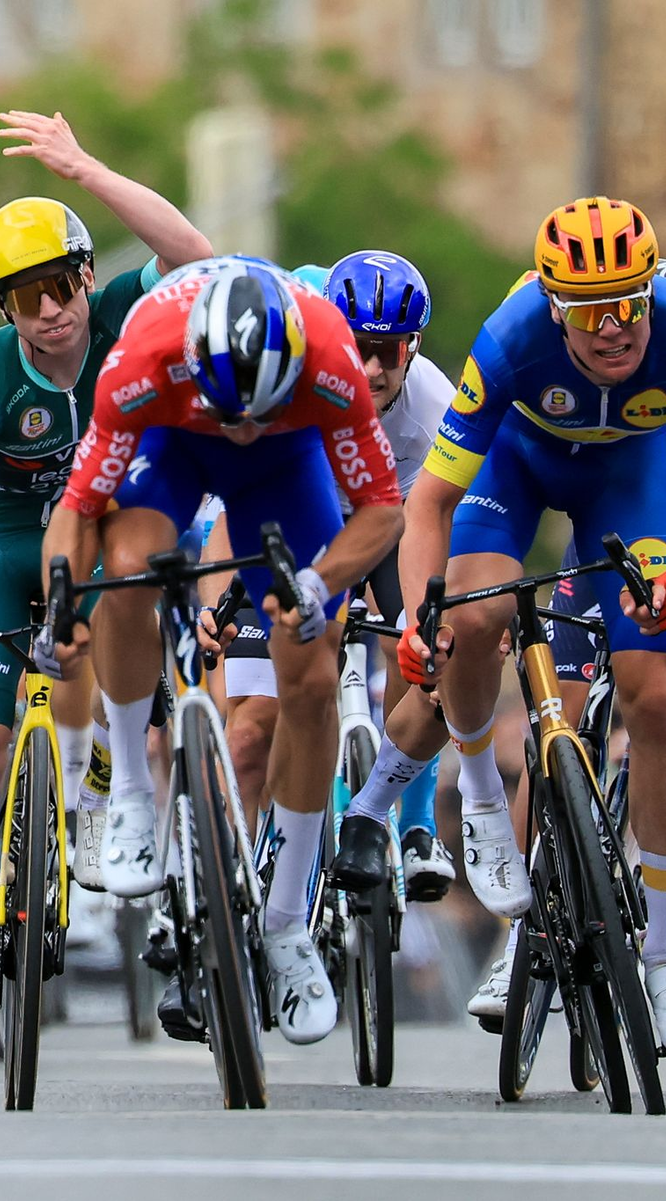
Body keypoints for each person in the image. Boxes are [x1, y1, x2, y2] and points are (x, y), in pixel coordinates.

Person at [334, 197, 666, 1054]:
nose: (616, 328)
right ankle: (486, 805)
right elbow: (431, 499)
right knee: (475, 612)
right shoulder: (508, 337)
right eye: (591, 310)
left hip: (628, 483)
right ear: (552, 302)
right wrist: (425, 611)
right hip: (518, 472)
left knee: (652, 700)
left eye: (631, 302)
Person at [0, 109, 212, 1051]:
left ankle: (106, 789)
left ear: (85, 275)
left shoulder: (122, 311)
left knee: (130, 629)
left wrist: (84, 170)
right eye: (26, 297)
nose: (52, 311)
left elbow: (196, 253)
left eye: (63, 284)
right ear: (4, 308)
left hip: (105, 525)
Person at [37, 256, 404, 1045]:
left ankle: (284, 925)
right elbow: (78, 511)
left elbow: (382, 512)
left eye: (254, 411)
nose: (241, 425)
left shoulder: (332, 359)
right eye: (230, 410)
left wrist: (317, 581)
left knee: (309, 673)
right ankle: (132, 788)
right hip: (173, 442)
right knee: (126, 570)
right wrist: (61, 602)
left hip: (287, 460)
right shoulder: (140, 361)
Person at [213, 251, 455, 898]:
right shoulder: (289, 380)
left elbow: (459, 522)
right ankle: (231, 886)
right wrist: (215, 603)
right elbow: (231, 505)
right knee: (250, 731)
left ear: (414, 347)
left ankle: (416, 821)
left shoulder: (436, 403)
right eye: (359, 349)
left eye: (390, 352)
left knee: (429, 647)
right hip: (301, 523)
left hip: (393, 525)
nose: (373, 369)